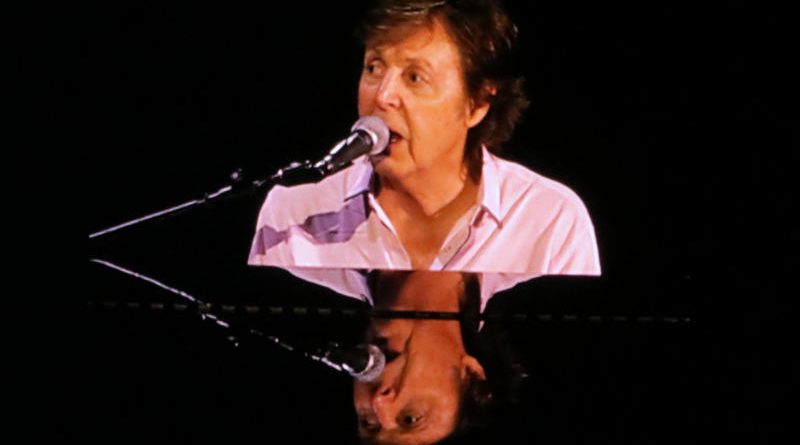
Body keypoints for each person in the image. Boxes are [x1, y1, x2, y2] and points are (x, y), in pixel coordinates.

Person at [249, 0, 601, 275]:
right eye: (374, 67)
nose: (383, 96)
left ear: (477, 103)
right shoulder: (294, 211)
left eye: (415, 77)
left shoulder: (548, 219)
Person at [354, 271, 524, 445]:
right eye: (411, 419)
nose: (378, 401)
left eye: (369, 423)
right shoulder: (534, 259)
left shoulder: (334, 264)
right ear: (470, 372)